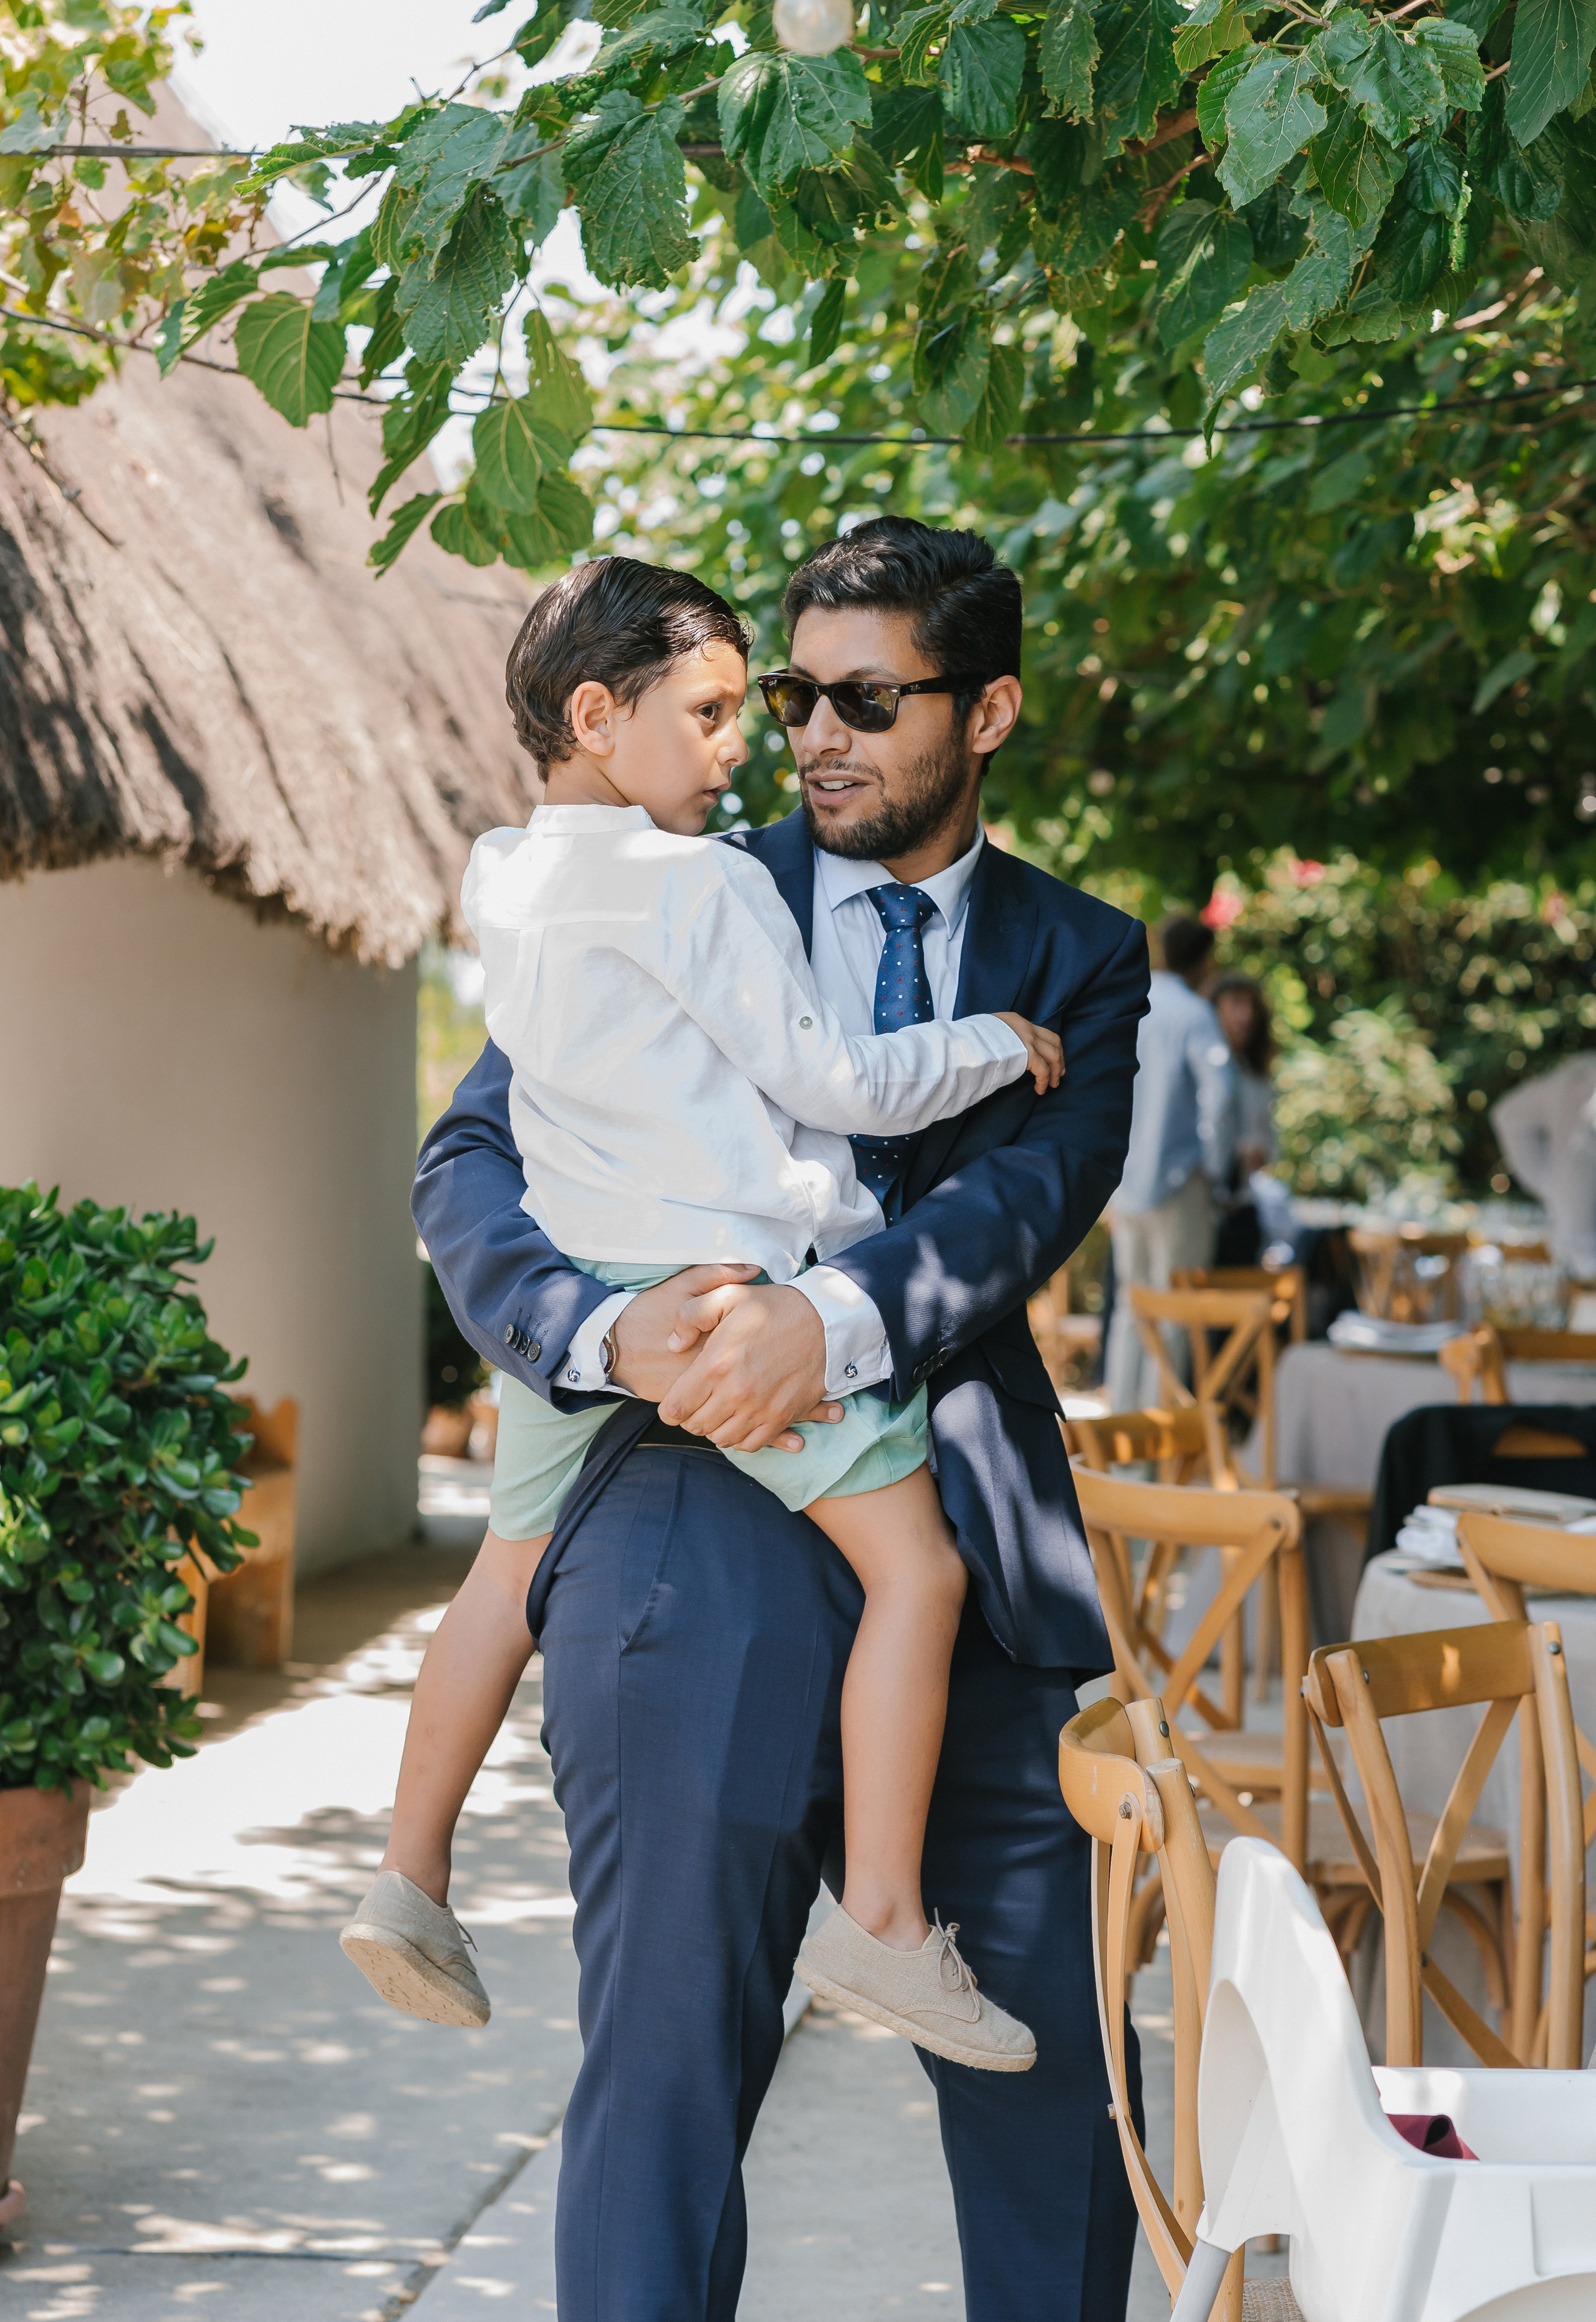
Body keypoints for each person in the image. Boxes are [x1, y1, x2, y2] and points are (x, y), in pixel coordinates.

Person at [410, 518, 1150, 2322]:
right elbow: (471, 1157)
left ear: (987, 713)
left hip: (958, 1550)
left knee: (1065, 2100)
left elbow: (1020, 1203)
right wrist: (596, 1330)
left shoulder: (1083, 955)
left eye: (867, 698)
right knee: (659, 2097)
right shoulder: (661, 876)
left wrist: (824, 1322)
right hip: (684, 1547)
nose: (814, 732)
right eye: (796, 694)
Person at [342, 557, 1059, 2072]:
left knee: (501, 1574)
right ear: (600, 715)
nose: (750, 746)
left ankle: (409, 1873)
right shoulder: (706, 879)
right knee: (916, 1573)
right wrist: (994, 1041)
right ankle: (877, 1914)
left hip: (588, 1299)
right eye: (717, 710)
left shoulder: (501, 872)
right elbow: (835, 1086)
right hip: (730, 1303)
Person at [1102, 913, 1238, 1411]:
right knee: (1173, 1314)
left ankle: (1119, 1441)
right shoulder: (1195, 1014)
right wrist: (1217, 1166)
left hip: (1125, 1180)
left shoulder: (1128, 1002)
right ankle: (1160, 1444)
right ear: (1206, 959)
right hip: (1179, 1182)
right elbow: (1221, 1096)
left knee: (1128, 1309)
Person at [1492, 1054, 1596, 1281]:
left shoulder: (1580, 1075)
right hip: (1580, 1266)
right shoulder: (1582, 1081)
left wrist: (1551, 1187)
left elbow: (1509, 1117)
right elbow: (1509, 1117)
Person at [1209, 970, 1278, 1268]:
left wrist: (1257, 1152)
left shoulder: (1256, 1076)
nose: (1246, 1015)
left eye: (1251, 1006)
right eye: (1236, 1004)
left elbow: (1272, 1142)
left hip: (1241, 1209)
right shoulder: (1200, 1067)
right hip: (1199, 1209)